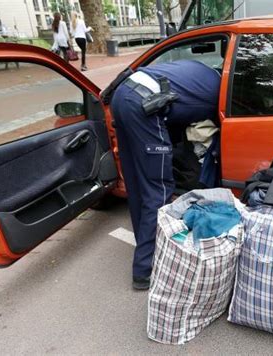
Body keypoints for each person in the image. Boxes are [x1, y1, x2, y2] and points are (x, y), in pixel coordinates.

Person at [110, 60, 221, 290]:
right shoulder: (218, 93)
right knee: (158, 189)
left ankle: (146, 246)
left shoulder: (199, 72)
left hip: (122, 96)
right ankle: (145, 270)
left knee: (137, 186)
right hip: (146, 106)